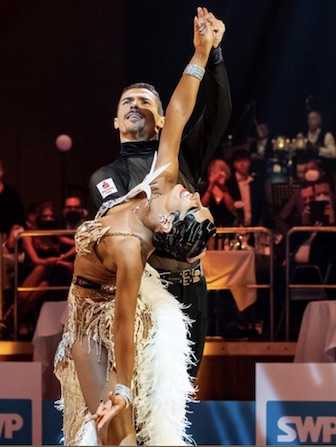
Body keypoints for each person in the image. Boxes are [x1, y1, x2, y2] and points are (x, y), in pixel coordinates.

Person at [55, 8, 216, 445]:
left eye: (193, 205)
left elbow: (124, 318)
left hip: (113, 309)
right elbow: (179, 109)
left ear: (167, 221)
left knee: (125, 426)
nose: (194, 195)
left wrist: (123, 390)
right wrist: (200, 55)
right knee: (111, 435)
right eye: (195, 202)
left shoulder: (135, 237)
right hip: (93, 318)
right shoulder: (158, 183)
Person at [89, 9, 230, 376]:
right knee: (144, 389)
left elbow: (213, 113)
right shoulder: (106, 177)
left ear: (161, 120)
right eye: (127, 102)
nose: (135, 106)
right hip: (147, 291)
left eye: (145, 102)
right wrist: (179, 231)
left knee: (182, 390)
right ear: (116, 121)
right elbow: (125, 236)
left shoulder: (176, 156)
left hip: (193, 288)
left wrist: (212, 54)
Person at [228, 149, 266, 226]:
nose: (242, 164)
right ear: (234, 164)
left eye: (245, 160)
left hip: (254, 227)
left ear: (249, 162)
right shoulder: (229, 183)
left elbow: (262, 207)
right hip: (234, 227)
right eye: (238, 161)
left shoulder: (256, 182)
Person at [201, 158, 235, 226]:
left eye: (222, 170)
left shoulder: (230, 186)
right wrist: (211, 185)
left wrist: (223, 188)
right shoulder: (205, 187)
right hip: (209, 225)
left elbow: (232, 208)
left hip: (228, 226)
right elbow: (202, 205)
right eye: (214, 171)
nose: (219, 174)